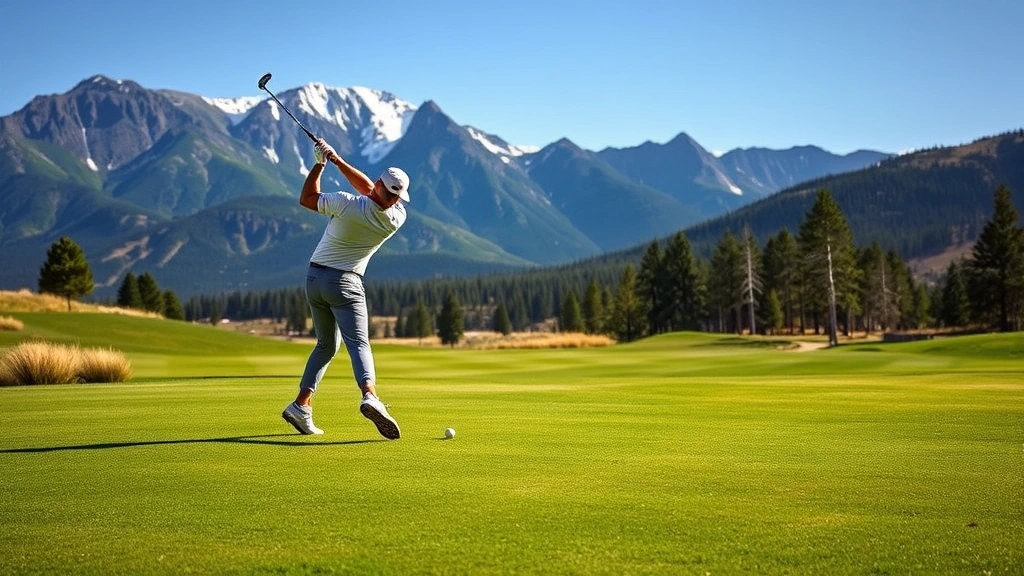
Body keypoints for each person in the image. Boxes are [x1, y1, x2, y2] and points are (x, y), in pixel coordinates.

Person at [281, 137, 410, 439]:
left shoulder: (344, 202)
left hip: (314, 279)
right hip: (346, 283)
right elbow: (370, 191)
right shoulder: (395, 218)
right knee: (358, 344)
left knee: (326, 345)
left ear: (379, 184)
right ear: (397, 196)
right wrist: (337, 160)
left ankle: (301, 405)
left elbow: (308, 198)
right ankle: (370, 396)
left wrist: (320, 164)